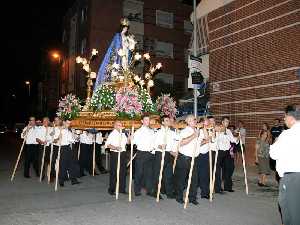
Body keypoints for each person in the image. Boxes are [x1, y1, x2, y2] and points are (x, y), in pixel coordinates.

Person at [270, 105, 300, 225]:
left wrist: (276, 142)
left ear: (291, 117)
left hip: (292, 179)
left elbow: (274, 154)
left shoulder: (287, 135)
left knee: (291, 214)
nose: (284, 119)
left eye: (285, 116)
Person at [93, 18, 136, 91]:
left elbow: (131, 48)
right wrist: (119, 52)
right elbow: (114, 47)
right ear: (122, 27)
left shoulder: (128, 37)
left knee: (125, 68)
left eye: (127, 28)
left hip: (125, 55)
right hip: (119, 55)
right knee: (119, 68)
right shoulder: (118, 36)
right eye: (124, 27)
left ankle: (125, 78)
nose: (125, 29)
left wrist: (132, 44)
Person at [174, 115, 201, 205]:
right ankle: (179, 197)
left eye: (195, 119)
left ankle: (192, 197)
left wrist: (207, 140)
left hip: (194, 158)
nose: (195, 120)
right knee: (181, 179)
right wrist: (194, 136)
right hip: (184, 158)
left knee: (194, 179)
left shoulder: (197, 131)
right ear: (188, 121)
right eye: (193, 119)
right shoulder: (184, 131)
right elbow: (180, 143)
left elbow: (199, 144)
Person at [152, 116, 177, 199]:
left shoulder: (173, 133)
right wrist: (160, 146)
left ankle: (169, 192)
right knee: (158, 174)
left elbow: (175, 144)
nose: (169, 121)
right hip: (160, 154)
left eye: (169, 120)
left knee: (169, 174)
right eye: (166, 120)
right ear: (162, 122)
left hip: (168, 154)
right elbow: (154, 144)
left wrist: (174, 151)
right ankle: (156, 192)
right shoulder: (158, 132)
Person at [132, 115, 156, 197]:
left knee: (149, 173)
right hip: (141, 153)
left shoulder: (152, 131)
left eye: (148, 120)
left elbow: (154, 143)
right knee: (139, 172)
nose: (148, 121)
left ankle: (149, 190)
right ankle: (137, 190)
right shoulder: (138, 132)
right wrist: (130, 139)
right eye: (146, 120)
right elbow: (133, 142)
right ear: (142, 121)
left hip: (150, 153)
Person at [53, 120, 80, 187]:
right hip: (62, 148)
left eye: (70, 123)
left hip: (68, 148)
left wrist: (77, 136)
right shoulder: (58, 129)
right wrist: (58, 137)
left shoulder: (68, 130)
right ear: (64, 123)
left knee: (71, 164)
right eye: (68, 123)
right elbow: (54, 140)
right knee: (63, 165)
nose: (69, 124)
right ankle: (61, 180)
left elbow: (72, 140)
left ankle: (73, 180)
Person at [215, 116, 238, 193]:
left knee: (229, 168)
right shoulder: (218, 129)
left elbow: (233, 140)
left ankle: (227, 187)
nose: (227, 123)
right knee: (218, 170)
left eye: (228, 122)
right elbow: (215, 139)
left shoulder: (228, 131)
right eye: (225, 121)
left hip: (227, 152)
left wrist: (238, 138)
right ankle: (217, 187)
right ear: (222, 122)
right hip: (219, 152)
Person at [105, 121, 128, 195]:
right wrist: (115, 147)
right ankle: (111, 189)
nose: (120, 126)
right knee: (114, 172)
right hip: (115, 154)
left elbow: (128, 143)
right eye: (119, 125)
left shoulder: (123, 133)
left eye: (121, 125)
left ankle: (122, 189)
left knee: (123, 172)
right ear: (115, 126)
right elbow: (107, 145)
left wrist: (130, 138)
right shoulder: (112, 134)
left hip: (123, 153)